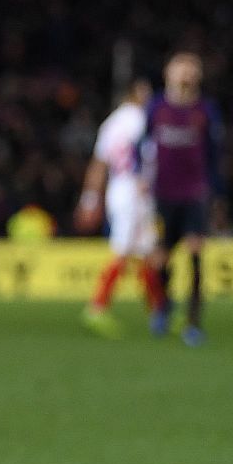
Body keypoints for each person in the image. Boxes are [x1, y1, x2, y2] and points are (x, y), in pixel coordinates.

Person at [76, 78, 168, 336]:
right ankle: (96, 308)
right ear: (134, 93)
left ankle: (160, 312)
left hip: (118, 188)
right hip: (136, 189)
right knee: (125, 249)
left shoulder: (110, 123)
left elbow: (99, 163)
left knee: (146, 250)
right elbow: (150, 157)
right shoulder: (141, 119)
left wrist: (90, 200)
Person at [146, 52, 222, 345]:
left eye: (192, 69)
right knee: (161, 258)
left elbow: (215, 154)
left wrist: (216, 193)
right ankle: (164, 306)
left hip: (194, 193)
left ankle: (193, 322)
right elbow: (144, 145)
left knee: (194, 251)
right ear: (168, 73)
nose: (186, 74)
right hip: (163, 194)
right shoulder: (157, 108)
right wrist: (142, 179)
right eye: (181, 68)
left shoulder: (206, 110)